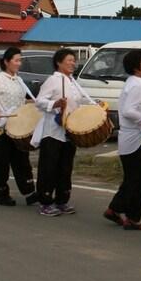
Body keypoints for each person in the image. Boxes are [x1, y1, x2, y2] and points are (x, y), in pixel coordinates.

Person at [33, 48, 94, 216]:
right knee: (49, 167)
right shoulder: (53, 80)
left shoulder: (73, 82)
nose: (73, 63)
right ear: (59, 62)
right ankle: (45, 202)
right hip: (53, 131)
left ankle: (62, 200)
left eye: (74, 60)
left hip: (70, 130)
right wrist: (55, 104)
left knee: (65, 167)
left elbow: (78, 102)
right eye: (69, 60)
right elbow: (39, 102)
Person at [104, 49, 141, 231]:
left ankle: (121, 211)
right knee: (137, 179)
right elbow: (128, 111)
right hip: (135, 138)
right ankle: (128, 215)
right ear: (136, 67)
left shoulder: (138, 83)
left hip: (137, 137)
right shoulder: (135, 85)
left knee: (135, 178)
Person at [0, 47, 38, 205]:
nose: (19, 63)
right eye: (16, 60)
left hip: (17, 126)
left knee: (22, 160)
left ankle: (29, 192)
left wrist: (32, 103)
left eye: (20, 60)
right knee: (1, 161)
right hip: (1, 127)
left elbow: (20, 101)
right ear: (6, 62)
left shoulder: (18, 79)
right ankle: (1, 193)